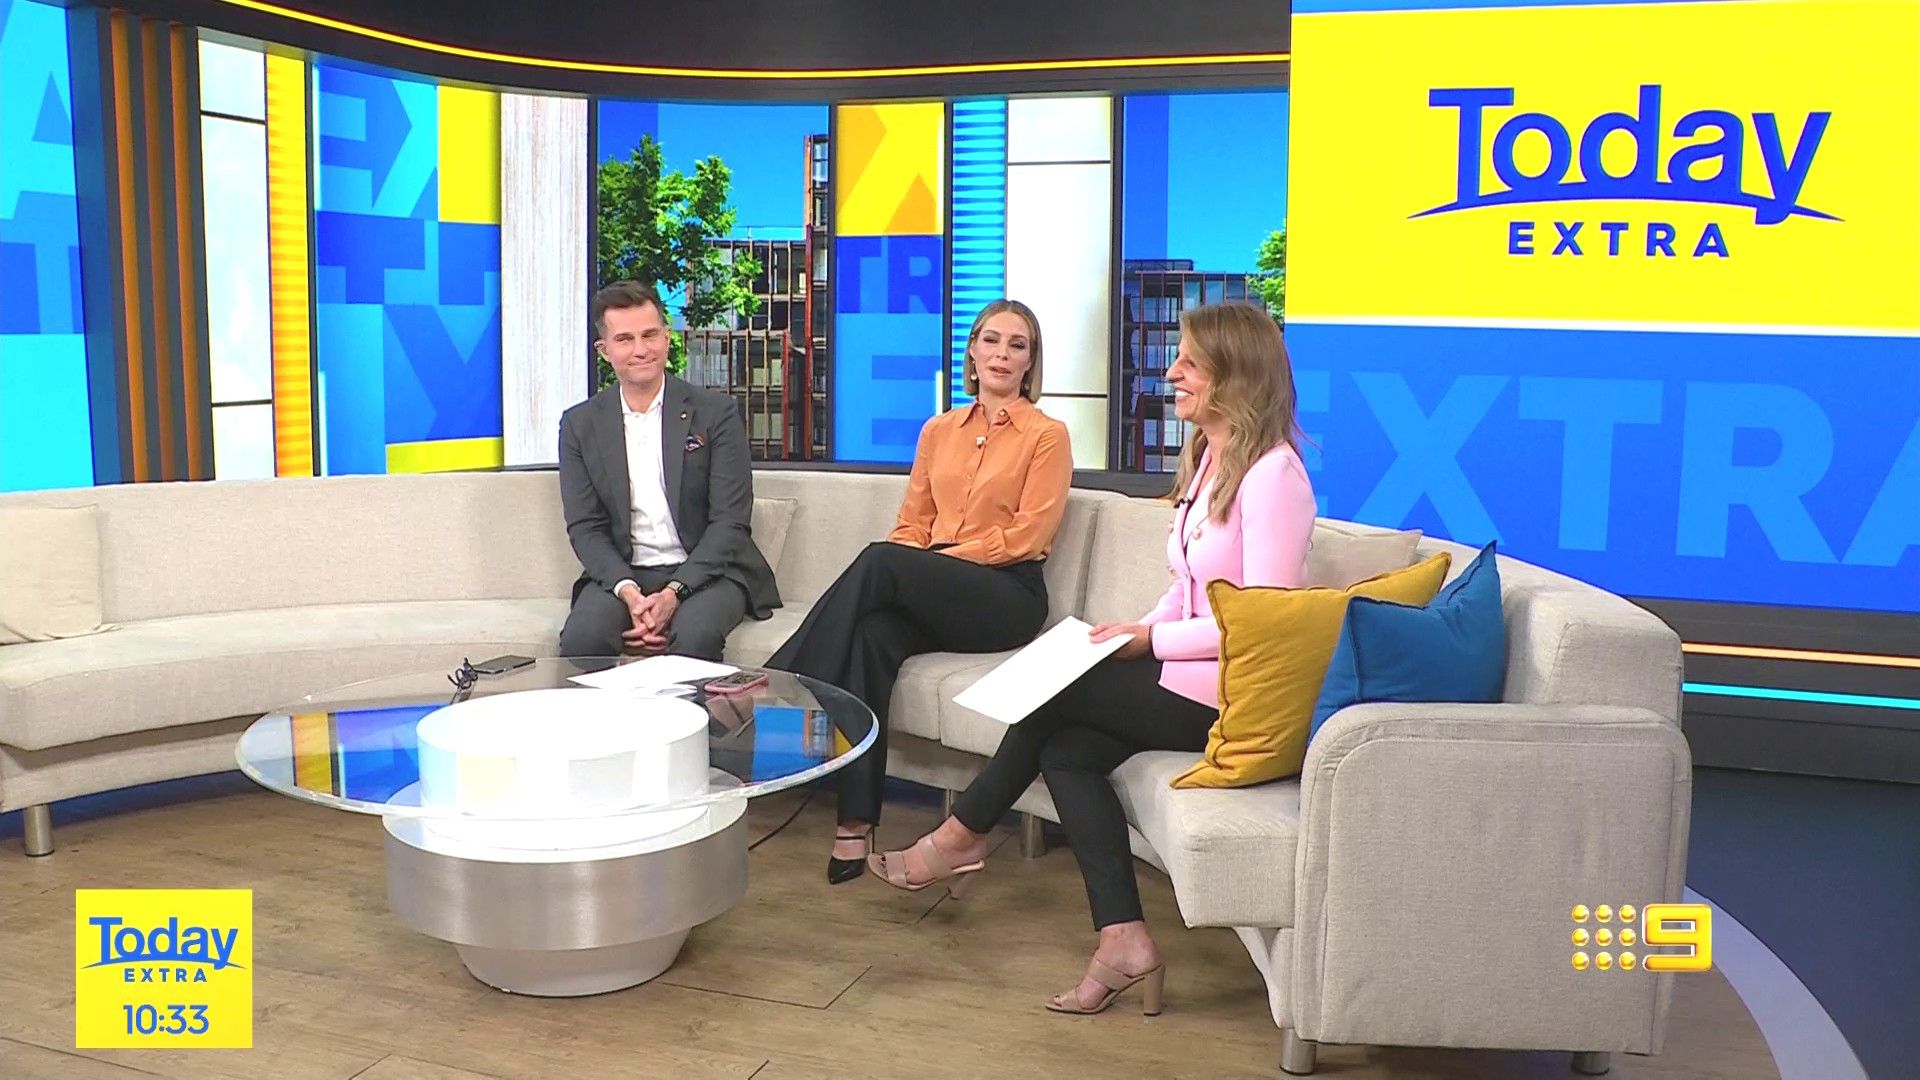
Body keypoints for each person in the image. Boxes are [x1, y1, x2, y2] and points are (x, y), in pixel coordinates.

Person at [867, 302, 1317, 1016]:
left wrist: (1149, 643)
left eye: (1190, 363)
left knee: (1056, 694)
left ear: (1236, 375)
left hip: (1230, 696)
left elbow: (1265, 625)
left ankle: (957, 836)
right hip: (1185, 672)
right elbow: (1189, 589)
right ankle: (1124, 940)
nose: (1172, 373)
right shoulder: (1212, 460)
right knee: (1068, 752)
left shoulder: (1275, 477)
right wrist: (1135, 627)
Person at [768, 299, 1073, 885]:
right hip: (936, 582)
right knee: (872, 634)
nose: (1002, 354)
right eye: (991, 340)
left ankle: (783, 686)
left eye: (1018, 345)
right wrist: (918, 565)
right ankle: (855, 821)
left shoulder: (1047, 436)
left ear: (1030, 362)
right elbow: (912, 524)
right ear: (972, 352)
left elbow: (1027, 537)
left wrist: (930, 563)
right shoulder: (939, 431)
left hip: (1005, 594)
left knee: (882, 560)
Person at [557, 281, 780, 662]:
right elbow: (585, 527)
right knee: (583, 640)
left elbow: (730, 522)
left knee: (694, 636)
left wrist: (674, 593)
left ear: (666, 336)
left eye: (650, 335)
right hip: (625, 573)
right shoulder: (579, 425)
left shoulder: (716, 413)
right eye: (625, 339)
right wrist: (630, 593)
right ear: (604, 350)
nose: (641, 350)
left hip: (709, 573)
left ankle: (699, 707)